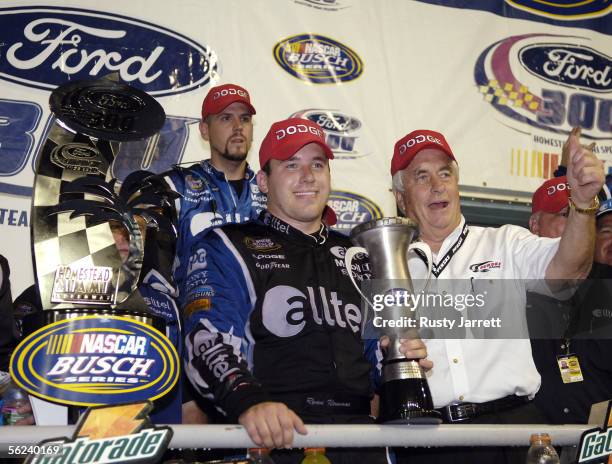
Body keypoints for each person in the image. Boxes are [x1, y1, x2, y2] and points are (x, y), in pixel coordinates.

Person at [182, 118, 430, 463]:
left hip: (359, 439)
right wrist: (250, 401)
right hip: (270, 435)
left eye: (317, 164)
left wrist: (397, 359)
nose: (308, 176)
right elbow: (205, 340)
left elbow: (373, 353)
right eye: (291, 165)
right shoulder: (227, 245)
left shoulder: (359, 255)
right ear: (264, 182)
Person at [390, 128, 604, 463]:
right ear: (401, 197)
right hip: (430, 441)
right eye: (422, 176)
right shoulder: (389, 267)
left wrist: (581, 205)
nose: (437, 185)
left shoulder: (505, 242)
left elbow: (569, 271)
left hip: (514, 432)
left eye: (445, 173)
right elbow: (373, 362)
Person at [162, 83, 266, 424]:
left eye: (245, 119)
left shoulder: (275, 189)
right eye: (225, 118)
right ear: (205, 130)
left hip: (269, 347)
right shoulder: (175, 187)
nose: (238, 127)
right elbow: (156, 281)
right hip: (197, 348)